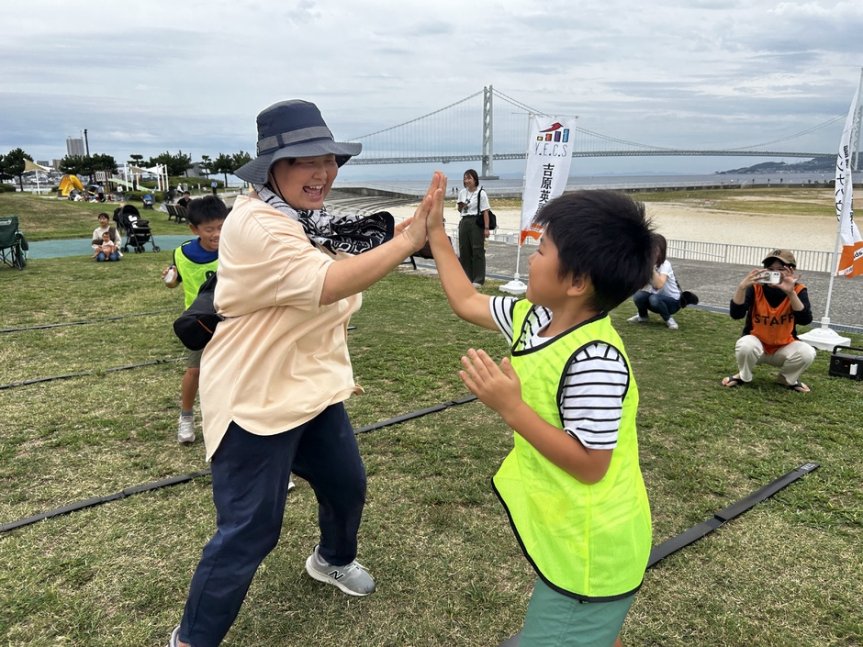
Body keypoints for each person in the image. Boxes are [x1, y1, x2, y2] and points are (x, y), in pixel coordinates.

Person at [167, 99, 438, 647]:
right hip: (256, 395)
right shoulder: (260, 226)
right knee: (250, 531)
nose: (323, 173)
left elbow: (339, 255)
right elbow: (327, 284)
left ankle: (331, 560)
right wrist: (410, 241)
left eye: (330, 159)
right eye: (304, 162)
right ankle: (190, 640)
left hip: (310, 387)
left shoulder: (301, 217)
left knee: (345, 485)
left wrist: (401, 228)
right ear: (272, 170)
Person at [426, 187, 654, 647]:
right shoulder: (535, 317)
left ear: (577, 281)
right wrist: (435, 235)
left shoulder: (596, 359)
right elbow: (466, 301)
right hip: (569, 536)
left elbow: (592, 464)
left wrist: (511, 408)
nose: (531, 256)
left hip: (594, 552)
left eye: (542, 249)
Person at [162, 196, 227, 444]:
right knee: (195, 370)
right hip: (199, 324)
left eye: (221, 227)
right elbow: (174, 281)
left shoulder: (235, 248)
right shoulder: (182, 253)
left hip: (232, 320)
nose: (216, 234)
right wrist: (169, 279)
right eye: (209, 229)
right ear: (194, 229)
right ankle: (186, 418)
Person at [721, 249, 816, 393]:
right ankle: (743, 376)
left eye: (780, 270)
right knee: (745, 345)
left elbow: (805, 320)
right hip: (757, 346)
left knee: (807, 352)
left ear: (792, 270)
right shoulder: (756, 287)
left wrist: (791, 293)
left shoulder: (798, 289)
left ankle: (786, 379)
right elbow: (736, 314)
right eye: (770, 269)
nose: (774, 274)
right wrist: (741, 288)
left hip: (783, 347)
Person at [627, 233, 681, 329]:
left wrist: (651, 269)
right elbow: (640, 285)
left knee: (654, 299)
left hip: (673, 302)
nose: (652, 253)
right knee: (638, 296)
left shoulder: (665, 264)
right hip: (656, 299)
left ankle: (669, 320)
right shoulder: (646, 264)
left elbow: (659, 284)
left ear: (661, 251)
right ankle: (642, 316)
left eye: (655, 250)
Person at [456, 168, 491, 287]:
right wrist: (462, 206)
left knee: (477, 250)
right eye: (465, 178)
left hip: (476, 221)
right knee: (464, 250)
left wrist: (486, 228)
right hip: (464, 221)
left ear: (475, 179)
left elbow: (485, 211)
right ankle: (466, 277)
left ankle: (478, 279)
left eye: (469, 178)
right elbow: (459, 209)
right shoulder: (462, 192)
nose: (467, 180)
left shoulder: (481, 193)